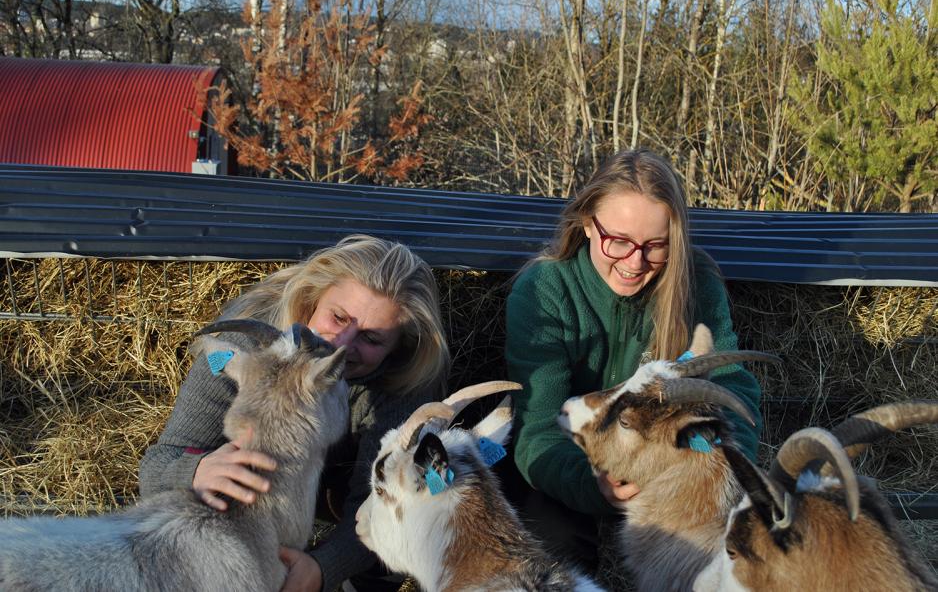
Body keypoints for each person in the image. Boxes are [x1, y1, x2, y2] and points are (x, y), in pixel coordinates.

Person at [139, 234, 451, 592]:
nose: (340, 344)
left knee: (403, 527)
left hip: (338, 489)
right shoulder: (244, 349)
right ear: (312, 299)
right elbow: (158, 466)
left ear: (398, 347)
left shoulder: (404, 386)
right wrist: (195, 470)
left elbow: (382, 506)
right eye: (338, 317)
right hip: (256, 495)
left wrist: (323, 567)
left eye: (371, 339)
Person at [503, 148, 762, 570]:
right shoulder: (545, 290)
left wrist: (723, 473)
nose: (635, 262)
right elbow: (538, 432)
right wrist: (594, 486)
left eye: (656, 245)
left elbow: (731, 388)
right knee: (555, 545)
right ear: (587, 223)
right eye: (618, 241)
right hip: (578, 458)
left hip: (670, 464)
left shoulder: (695, 282)